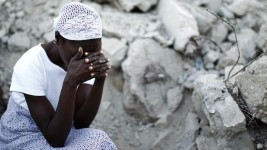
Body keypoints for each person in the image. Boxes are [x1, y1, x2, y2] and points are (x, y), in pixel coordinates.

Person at [0, 2, 117, 149]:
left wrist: (100, 79)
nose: (85, 59)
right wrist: (70, 83)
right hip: (22, 135)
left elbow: (81, 123)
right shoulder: (31, 64)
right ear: (58, 38)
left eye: (94, 51)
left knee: (101, 140)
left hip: (63, 129)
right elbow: (55, 140)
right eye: (78, 53)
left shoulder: (87, 59)